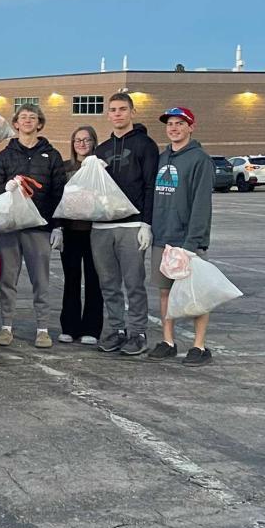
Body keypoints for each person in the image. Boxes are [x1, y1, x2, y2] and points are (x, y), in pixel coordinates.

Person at [0, 103, 66, 349]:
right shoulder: (5, 155)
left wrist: (57, 226)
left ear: (39, 123)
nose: (28, 121)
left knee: (41, 280)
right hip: (9, 229)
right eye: (23, 117)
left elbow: (59, 192)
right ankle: (6, 326)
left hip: (39, 228)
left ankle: (42, 329)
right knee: (8, 279)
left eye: (33, 117)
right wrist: (6, 188)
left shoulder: (52, 156)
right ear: (16, 123)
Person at [91, 91, 159, 357]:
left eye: (122, 109)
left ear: (132, 112)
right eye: (113, 110)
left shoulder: (146, 145)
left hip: (132, 226)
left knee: (134, 283)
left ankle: (138, 332)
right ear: (108, 114)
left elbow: (150, 185)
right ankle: (117, 329)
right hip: (102, 226)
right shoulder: (101, 150)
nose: (117, 114)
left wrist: (147, 223)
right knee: (108, 283)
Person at [149, 107, 215, 365]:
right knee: (165, 292)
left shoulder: (200, 159)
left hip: (187, 241)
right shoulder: (162, 157)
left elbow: (201, 204)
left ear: (191, 127)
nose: (174, 128)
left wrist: (192, 243)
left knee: (196, 295)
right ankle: (168, 341)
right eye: (170, 124)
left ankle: (199, 346)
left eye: (180, 123)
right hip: (162, 238)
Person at [57, 126, 103, 345]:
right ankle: (69, 326)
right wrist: (57, 227)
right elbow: (57, 197)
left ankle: (91, 329)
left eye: (86, 140)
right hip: (71, 231)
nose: (82, 144)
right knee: (71, 279)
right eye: (77, 140)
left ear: (94, 142)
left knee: (94, 280)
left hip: (96, 232)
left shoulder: (100, 168)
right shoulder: (65, 168)